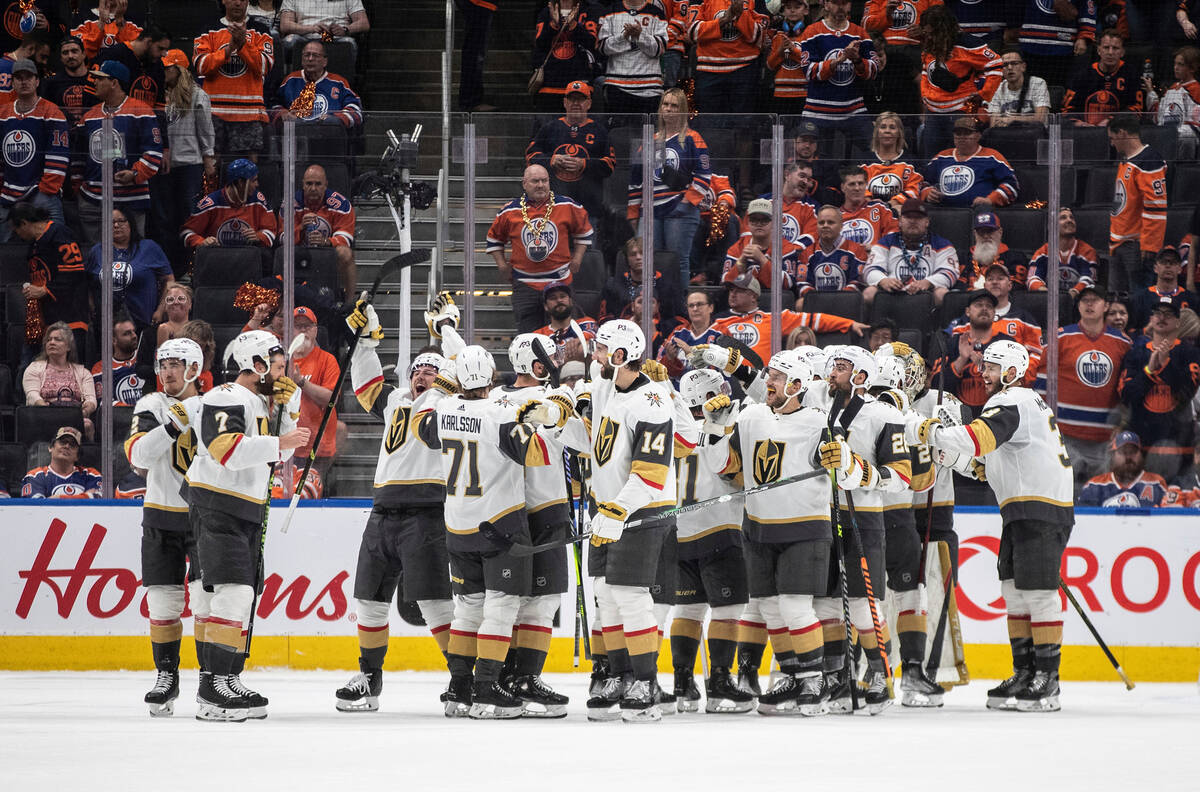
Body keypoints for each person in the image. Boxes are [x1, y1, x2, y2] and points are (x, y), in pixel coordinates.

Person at [907, 339, 1074, 712]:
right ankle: (1025, 671)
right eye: (983, 367)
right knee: (1015, 592)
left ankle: (1048, 680)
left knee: (1039, 594)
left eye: (992, 367)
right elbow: (985, 466)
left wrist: (929, 431)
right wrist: (950, 455)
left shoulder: (1010, 400)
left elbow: (978, 440)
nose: (983, 374)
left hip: (1040, 509)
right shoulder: (1019, 405)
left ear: (1012, 372)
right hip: (1023, 509)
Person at [415, 345, 556, 720]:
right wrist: (544, 419)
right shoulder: (501, 413)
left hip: (457, 525)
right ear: (493, 376)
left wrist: (443, 384)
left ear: (459, 378)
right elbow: (540, 454)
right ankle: (487, 687)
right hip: (500, 525)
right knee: (501, 608)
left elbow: (420, 424)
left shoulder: (442, 411)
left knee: (468, 609)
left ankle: (459, 688)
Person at [334, 298, 457, 713]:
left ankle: (463, 678)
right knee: (369, 599)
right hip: (383, 510)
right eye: (417, 369)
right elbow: (368, 388)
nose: (422, 374)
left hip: (428, 512)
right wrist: (366, 340)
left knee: (436, 602)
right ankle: (369, 678)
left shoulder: (449, 405)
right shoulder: (397, 402)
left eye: (432, 369)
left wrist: (446, 334)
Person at [695, 350, 834, 715]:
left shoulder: (818, 421)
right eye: (769, 375)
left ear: (798, 385)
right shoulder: (752, 415)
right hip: (757, 528)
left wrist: (843, 461)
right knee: (772, 609)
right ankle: (790, 675)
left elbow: (843, 472)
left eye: (776, 376)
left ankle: (813, 680)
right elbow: (722, 465)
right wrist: (714, 427)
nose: (768, 382)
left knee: (794, 607)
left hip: (805, 527)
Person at [552, 320, 677, 722]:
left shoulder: (653, 399)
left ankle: (646, 681)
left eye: (603, 349)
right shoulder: (608, 391)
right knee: (606, 596)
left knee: (630, 596)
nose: (596, 356)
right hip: (606, 511)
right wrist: (555, 422)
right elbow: (593, 447)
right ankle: (621, 676)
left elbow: (652, 471)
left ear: (621, 356)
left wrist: (618, 510)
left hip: (640, 511)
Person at [185, 330, 309, 721]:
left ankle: (222, 677)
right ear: (254, 364)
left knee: (224, 598)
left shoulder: (256, 400)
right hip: (219, 505)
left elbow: (282, 454)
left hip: (240, 508)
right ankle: (214, 686)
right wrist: (279, 440)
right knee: (233, 593)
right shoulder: (226, 395)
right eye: (274, 365)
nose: (280, 372)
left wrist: (290, 407)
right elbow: (226, 451)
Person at [817, 344, 913, 714]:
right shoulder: (816, 402)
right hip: (819, 515)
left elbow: (903, 476)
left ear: (860, 377)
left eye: (841, 367)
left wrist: (859, 472)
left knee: (861, 604)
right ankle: (837, 676)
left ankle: (880, 673)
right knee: (825, 603)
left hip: (863, 516)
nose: (832, 373)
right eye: (833, 366)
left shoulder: (884, 415)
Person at [488, 334, 575, 716]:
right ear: (537, 364)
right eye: (552, 357)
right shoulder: (556, 399)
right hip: (547, 508)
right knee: (539, 603)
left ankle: (505, 677)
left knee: (510, 602)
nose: (556, 362)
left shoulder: (490, 399)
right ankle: (523, 677)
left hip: (501, 511)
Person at [124, 338, 206, 717]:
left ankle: (211, 678)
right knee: (162, 602)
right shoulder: (151, 405)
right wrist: (174, 424)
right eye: (163, 364)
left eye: (175, 364)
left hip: (206, 515)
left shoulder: (214, 404)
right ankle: (166, 675)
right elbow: (138, 455)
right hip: (160, 513)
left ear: (193, 368)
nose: (167, 371)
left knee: (207, 603)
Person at [1035, 285, 1131, 490]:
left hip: (1105, 439)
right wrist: (1044, 425)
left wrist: (1122, 423)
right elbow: (1042, 384)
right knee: (1065, 496)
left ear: (1106, 306)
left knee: (1101, 497)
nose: (1089, 304)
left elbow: (1127, 389)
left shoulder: (1123, 343)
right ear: (1078, 306)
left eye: (1094, 300)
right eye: (1084, 300)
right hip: (1065, 436)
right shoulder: (1060, 337)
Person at [487, 163, 593, 333]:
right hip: (525, 284)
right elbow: (494, 239)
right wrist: (502, 265)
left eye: (544, 180)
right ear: (525, 184)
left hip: (560, 282)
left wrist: (578, 258)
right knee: (528, 338)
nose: (541, 185)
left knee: (564, 335)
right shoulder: (509, 211)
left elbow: (584, 232)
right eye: (535, 181)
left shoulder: (567, 206)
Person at [74, 60, 163, 246]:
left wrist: (135, 174)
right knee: (96, 257)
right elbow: (78, 156)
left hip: (130, 199)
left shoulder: (141, 111)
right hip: (92, 200)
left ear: (114, 83)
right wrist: (78, 187)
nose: (94, 82)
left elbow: (154, 154)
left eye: (100, 79)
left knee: (132, 254)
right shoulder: (89, 115)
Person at [627, 88, 709, 289]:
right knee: (647, 262)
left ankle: (680, 308)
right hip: (650, 212)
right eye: (666, 104)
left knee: (677, 262)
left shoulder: (693, 138)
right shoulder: (649, 140)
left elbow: (704, 174)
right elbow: (636, 180)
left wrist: (686, 201)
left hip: (680, 210)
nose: (669, 109)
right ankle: (648, 305)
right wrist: (633, 212)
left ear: (683, 110)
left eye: (674, 105)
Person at [1118, 294, 1200, 479]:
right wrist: (1149, 371)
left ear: (1178, 322)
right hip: (1140, 446)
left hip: (1180, 447)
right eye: (1158, 313)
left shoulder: (1190, 354)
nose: (1162, 317)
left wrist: (1166, 364)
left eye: (1168, 314)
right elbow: (1126, 395)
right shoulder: (1136, 353)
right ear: (1151, 319)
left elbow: (1186, 393)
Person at [713, 272, 866, 363]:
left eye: (739, 291)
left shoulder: (774, 318)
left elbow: (815, 320)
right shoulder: (719, 321)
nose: (732, 294)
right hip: (729, 379)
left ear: (753, 296)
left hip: (761, 378)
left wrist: (849, 324)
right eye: (731, 290)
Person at [156, 49, 216, 275]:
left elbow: (205, 129)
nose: (163, 72)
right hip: (165, 166)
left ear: (178, 69)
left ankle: (190, 267)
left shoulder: (197, 95)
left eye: (167, 68)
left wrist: (209, 156)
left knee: (188, 216)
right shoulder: (159, 95)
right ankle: (170, 268)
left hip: (190, 163)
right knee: (165, 218)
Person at [524, 80, 615, 229]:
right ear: (565, 102)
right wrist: (550, 160)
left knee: (587, 251)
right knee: (556, 251)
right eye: (572, 99)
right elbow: (530, 157)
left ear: (589, 103)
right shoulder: (549, 128)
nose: (576, 103)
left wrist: (584, 164)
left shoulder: (600, 130)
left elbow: (610, 164)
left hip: (589, 208)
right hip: (553, 208)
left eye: (581, 99)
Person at [194, 0, 276, 160]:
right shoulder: (208, 30)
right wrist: (229, 48)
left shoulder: (261, 30)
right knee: (211, 169)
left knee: (248, 169)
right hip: (214, 113)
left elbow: (264, 66)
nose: (237, 3)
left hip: (249, 113)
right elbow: (201, 66)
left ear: (247, 2)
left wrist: (243, 44)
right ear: (224, 1)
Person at [916, 5, 1002, 158]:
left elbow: (996, 65)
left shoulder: (968, 44)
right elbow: (925, 70)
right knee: (931, 160)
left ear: (942, 29)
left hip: (959, 112)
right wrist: (926, 95)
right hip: (933, 113)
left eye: (931, 33)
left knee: (960, 158)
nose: (928, 37)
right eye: (926, 33)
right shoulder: (930, 44)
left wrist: (983, 94)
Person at [0, 57, 67, 240]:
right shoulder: (3, 113)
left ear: (37, 81)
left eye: (28, 77)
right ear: (12, 82)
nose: (24, 81)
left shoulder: (52, 112)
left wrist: (46, 189)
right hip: (8, 191)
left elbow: (58, 156)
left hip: (41, 191)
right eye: (19, 77)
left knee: (56, 240)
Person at [10, 202, 88, 358]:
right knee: (28, 369)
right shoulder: (33, 245)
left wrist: (44, 290)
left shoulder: (60, 234)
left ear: (24, 223)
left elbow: (75, 273)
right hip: (43, 320)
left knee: (69, 371)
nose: (17, 235)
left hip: (69, 317)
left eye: (16, 229)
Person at [798, 0, 879, 146]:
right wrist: (839, 60)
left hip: (854, 110)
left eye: (845, 2)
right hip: (817, 111)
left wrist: (856, 59)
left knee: (873, 150)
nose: (840, 7)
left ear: (850, 5)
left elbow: (873, 71)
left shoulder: (859, 33)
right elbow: (809, 71)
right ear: (826, 4)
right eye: (836, 2)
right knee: (816, 161)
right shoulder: (812, 32)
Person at [85, 208, 174, 332]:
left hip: (144, 320)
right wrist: (92, 307)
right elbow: (87, 282)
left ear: (131, 224)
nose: (116, 225)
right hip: (107, 325)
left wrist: (160, 310)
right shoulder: (97, 251)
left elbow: (169, 280)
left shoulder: (149, 247)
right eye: (111, 222)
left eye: (121, 221)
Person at [181, 158, 277, 270]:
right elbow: (186, 232)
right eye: (253, 180)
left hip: (247, 261)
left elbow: (271, 230)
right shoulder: (211, 203)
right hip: (217, 262)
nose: (257, 184)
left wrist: (258, 236)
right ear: (241, 182)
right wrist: (202, 242)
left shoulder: (258, 200)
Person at [1108, 113, 1167, 294]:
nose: (1111, 143)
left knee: (1138, 300)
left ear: (1123, 133)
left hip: (1136, 245)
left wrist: (1149, 246)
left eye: (1112, 138)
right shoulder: (1126, 159)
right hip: (1117, 242)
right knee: (1116, 302)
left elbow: (1156, 208)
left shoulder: (1149, 161)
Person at [863, 197, 957, 306]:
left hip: (926, 296)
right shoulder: (886, 242)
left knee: (942, 294)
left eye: (918, 218)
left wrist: (929, 282)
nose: (913, 221)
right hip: (891, 296)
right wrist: (884, 281)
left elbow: (950, 273)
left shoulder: (942, 244)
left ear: (927, 222)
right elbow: (870, 269)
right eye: (908, 217)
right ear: (900, 221)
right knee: (869, 293)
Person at [284, 305, 340, 481]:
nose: (303, 330)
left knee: (311, 496)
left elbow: (332, 398)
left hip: (317, 446)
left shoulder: (327, 360)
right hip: (285, 444)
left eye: (307, 326)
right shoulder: (282, 360)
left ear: (315, 330)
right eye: (297, 326)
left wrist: (301, 382)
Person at [922, 116, 1019, 208]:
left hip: (979, 213)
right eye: (958, 133)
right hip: (945, 211)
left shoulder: (992, 157)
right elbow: (922, 182)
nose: (962, 137)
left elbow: (1012, 185)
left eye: (967, 133)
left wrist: (990, 200)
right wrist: (928, 193)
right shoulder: (941, 157)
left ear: (978, 136)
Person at [862, 0, 937, 117]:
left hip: (916, 49)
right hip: (884, 49)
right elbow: (866, 26)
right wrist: (886, 14)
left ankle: (921, 120)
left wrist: (923, 30)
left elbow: (941, 22)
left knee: (922, 83)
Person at [291, 163, 356, 293]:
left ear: (326, 185)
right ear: (303, 184)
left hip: (328, 251)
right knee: (281, 253)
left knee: (346, 253)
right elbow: (282, 236)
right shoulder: (291, 203)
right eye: (309, 184)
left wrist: (326, 241)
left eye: (318, 184)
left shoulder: (341, 204)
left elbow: (346, 238)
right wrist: (301, 228)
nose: (313, 188)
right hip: (298, 250)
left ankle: (349, 303)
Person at [597, 0, 669, 116]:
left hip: (650, 87)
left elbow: (659, 49)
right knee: (618, 132)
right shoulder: (610, 11)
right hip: (617, 85)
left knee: (647, 132)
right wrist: (625, 37)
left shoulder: (656, 12)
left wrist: (640, 36)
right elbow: (602, 47)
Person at [272, 40, 363, 128]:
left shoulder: (339, 82)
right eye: (307, 55)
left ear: (325, 61)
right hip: (297, 134)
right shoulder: (290, 80)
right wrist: (282, 113)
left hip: (329, 135)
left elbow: (355, 108)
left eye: (315, 55)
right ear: (302, 59)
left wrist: (336, 119)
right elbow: (274, 105)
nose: (310, 59)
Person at [529, 0, 598, 113]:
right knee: (548, 127)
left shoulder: (588, 10)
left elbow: (592, 43)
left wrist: (573, 25)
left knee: (579, 128)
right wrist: (554, 25)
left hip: (580, 82)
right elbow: (540, 44)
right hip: (549, 84)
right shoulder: (546, 12)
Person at [1062, 30, 1143, 125]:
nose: (1110, 52)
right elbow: (1065, 112)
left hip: (1118, 131)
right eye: (1106, 47)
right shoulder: (1082, 74)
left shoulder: (1131, 74)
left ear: (1122, 52)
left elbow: (1137, 110)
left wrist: (1111, 121)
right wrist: (1081, 125)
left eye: (1115, 48)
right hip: (1086, 132)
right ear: (1099, 50)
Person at [721, 198, 800, 293]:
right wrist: (741, 262)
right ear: (748, 222)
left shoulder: (786, 248)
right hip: (744, 301)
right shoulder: (737, 248)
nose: (759, 224)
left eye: (764, 220)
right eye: (754, 220)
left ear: (774, 222)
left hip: (775, 301)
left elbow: (787, 284)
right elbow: (725, 284)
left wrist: (762, 259)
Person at [795, 205, 869, 305]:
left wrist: (837, 300)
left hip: (846, 303)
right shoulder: (807, 252)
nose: (825, 225)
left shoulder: (856, 250)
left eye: (830, 222)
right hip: (817, 303)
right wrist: (817, 299)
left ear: (841, 225)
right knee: (800, 304)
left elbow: (857, 282)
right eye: (821, 223)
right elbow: (802, 282)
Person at [1078, 430, 1169, 507]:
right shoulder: (1095, 485)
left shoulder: (1157, 483)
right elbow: (1084, 521)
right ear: (1113, 455)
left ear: (1141, 454)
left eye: (1133, 452)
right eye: (1122, 452)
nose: (1128, 457)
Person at [1017, 0, 1095, 88]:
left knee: (1057, 88)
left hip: (1062, 49)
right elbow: (1016, 10)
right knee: (1030, 88)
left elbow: (1087, 12)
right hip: (1030, 46)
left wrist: (1083, 37)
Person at [600, 237, 680, 322]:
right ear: (627, 259)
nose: (638, 257)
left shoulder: (667, 285)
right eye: (633, 254)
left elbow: (678, 319)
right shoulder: (613, 285)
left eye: (642, 253)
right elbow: (603, 318)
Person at [97, 24, 171, 111]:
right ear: (148, 42)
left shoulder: (158, 65)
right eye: (160, 48)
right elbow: (92, 95)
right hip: (117, 120)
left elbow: (159, 105)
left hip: (148, 122)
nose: (164, 54)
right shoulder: (113, 54)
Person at [742, 163, 818, 248]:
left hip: (795, 259)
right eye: (802, 176)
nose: (805, 182)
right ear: (787, 175)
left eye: (809, 179)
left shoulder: (812, 207)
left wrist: (785, 254)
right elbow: (747, 234)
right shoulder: (762, 202)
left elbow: (809, 238)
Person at [1028, 207, 1100, 294]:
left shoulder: (1087, 251)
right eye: (1063, 218)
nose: (1069, 220)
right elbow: (1032, 279)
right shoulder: (1042, 253)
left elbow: (1089, 280)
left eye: (1071, 217)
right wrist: (1046, 294)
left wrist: (1072, 294)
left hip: (1077, 303)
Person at [1129, 246, 1199, 333]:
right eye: (1163, 262)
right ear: (1155, 268)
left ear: (1180, 269)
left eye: (1173, 262)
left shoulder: (1192, 299)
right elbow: (1130, 333)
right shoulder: (1139, 298)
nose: (1168, 265)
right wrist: (1146, 330)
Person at [861, 112, 923, 208]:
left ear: (899, 132)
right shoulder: (864, 162)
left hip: (898, 210)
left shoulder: (911, 163)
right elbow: (858, 188)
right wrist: (871, 203)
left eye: (892, 127)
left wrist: (890, 204)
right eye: (883, 127)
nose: (887, 131)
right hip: (868, 209)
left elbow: (913, 191)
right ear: (877, 131)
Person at [20, 426, 101, 498]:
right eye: (63, 442)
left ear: (77, 456)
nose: (67, 446)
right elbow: (36, 508)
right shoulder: (35, 476)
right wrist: (85, 496)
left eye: (72, 444)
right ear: (50, 447)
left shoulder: (91, 475)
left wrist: (58, 498)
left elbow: (99, 500)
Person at [659, 288, 722, 378]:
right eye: (691, 305)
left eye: (699, 304)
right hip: (679, 390)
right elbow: (661, 369)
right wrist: (669, 359)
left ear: (711, 308)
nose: (695, 309)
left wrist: (690, 354)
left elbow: (726, 372)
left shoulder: (721, 333)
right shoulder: (678, 333)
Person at [279, 0, 369, 60]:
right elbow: (285, 25)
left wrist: (345, 29)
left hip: (335, 38)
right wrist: (311, 28)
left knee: (349, 43)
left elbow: (364, 23)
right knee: (289, 42)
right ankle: (291, 82)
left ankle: (343, 85)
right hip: (305, 37)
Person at [39, 37, 98, 129]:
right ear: (61, 58)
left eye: (74, 51)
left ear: (84, 54)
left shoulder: (97, 81)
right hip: (63, 134)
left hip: (92, 132)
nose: (70, 56)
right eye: (65, 53)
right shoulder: (51, 83)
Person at [765, 0, 811, 116]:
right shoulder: (778, 37)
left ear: (806, 10)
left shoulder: (811, 36)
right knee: (780, 130)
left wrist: (793, 50)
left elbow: (811, 64)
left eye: (797, 6)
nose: (792, 10)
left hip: (804, 93)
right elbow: (770, 65)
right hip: (780, 93)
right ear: (783, 11)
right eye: (788, 7)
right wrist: (780, 51)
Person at [960, 211, 1028, 290]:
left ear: (1000, 232)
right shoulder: (964, 258)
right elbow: (959, 289)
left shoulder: (1015, 258)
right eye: (981, 232)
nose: (985, 236)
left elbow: (1015, 287)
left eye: (990, 231)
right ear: (975, 234)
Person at [986, 48, 1051, 128]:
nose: (1009, 67)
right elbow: (993, 125)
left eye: (1014, 63)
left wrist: (1012, 120)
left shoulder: (1037, 83)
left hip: (1033, 135)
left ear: (1023, 67)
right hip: (1007, 136)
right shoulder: (996, 88)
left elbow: (1040, 119)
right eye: (1005, 65)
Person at [534, 280, 597, 362]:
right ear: (545, 306)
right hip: (555, 373)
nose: (559, 300)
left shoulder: (585, 322)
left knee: (588, 346)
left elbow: (593, 337)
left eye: (563, 296)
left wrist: (579, 340)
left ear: (570, 302)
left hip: (585, 370)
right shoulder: (538, 335)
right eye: (553, 298)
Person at [838, 165, 898, 250]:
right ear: (843, 187)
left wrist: (875, 248)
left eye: (861, 183)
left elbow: (894, 236)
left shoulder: (879, 209)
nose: (857, 188)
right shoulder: (835, 216)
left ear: (866, 185)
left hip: (876, 260)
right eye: (852, 184)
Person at [90, 313, 142, 407]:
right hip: (121, 420)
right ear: (113, 340)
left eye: (133, 331)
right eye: (127, 333)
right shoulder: (101, 368)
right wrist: (132, 411)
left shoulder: (146, 358)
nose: (134, 336)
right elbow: (104, 402)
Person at [454, 0, 496, 112]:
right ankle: (471, 101)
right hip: (478, 3)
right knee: (474, 53)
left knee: (474, 52)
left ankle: (470, 100)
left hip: (480, 4)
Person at [70, 0, 142, 60]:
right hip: (91, 73)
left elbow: (135, 54)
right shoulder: (82, 18)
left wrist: (120, 22)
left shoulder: (133, 21)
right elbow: (81, 53)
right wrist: (101, 22)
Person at [156, 283, 193, 350]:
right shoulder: (160, 330)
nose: (175, 302)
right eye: (170, 299)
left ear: (190, 304)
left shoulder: (198, 330)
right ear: (165, 306)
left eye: (181, 298)